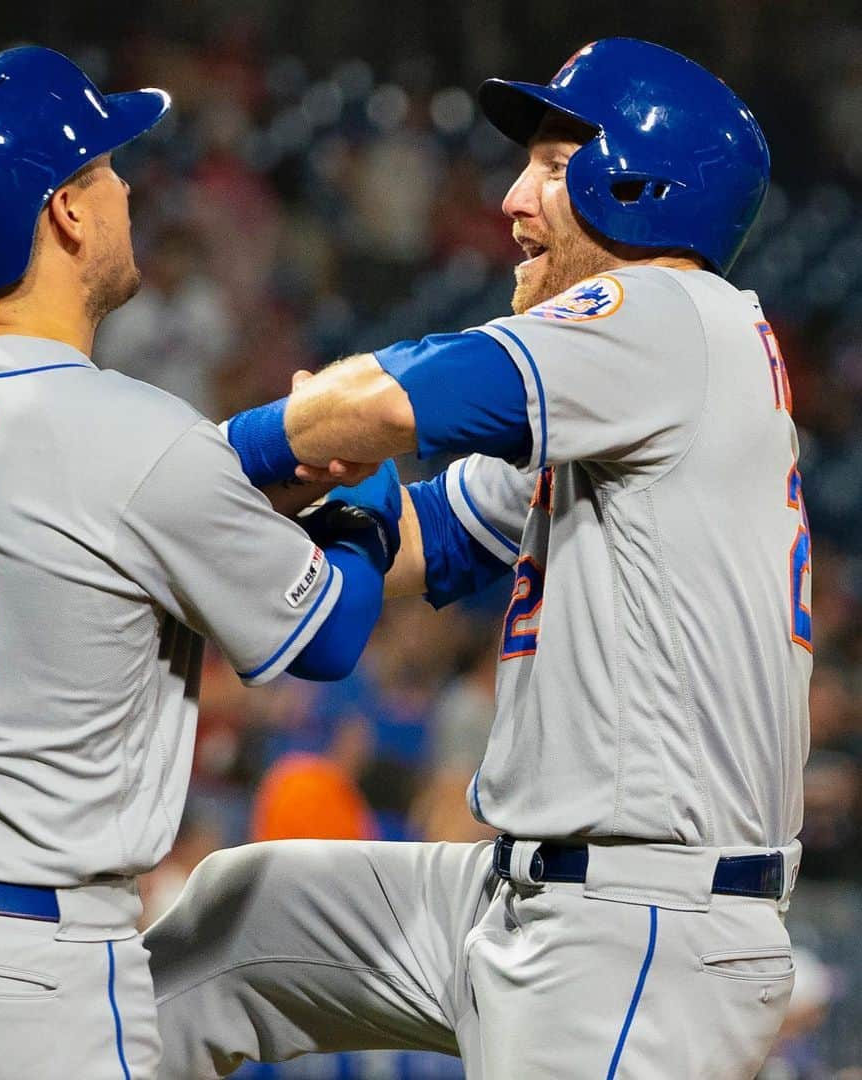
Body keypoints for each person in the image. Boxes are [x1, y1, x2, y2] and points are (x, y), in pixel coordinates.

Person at [148, 38, 811, 1079]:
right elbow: (426, 539)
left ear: (639, 183)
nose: (511, 201)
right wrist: (354, 497)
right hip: (532, 895)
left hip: (637, 932)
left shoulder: (669, 311)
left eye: (552, 166)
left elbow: (398, 398)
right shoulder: (637, 387)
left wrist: (177, 473)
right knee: (236, 922)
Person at [0, 47, 398, 1080]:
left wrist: (256, 463)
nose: (125, 187)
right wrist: (369, 491)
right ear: (66, 212)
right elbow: (329, 634)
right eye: (106, 168)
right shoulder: (130, 438)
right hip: (1, 982)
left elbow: (85, 506)